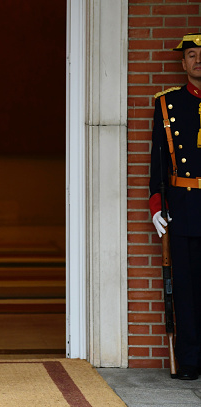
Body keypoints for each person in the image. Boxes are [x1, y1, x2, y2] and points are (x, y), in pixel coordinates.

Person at [149, 33, 201, 380]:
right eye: (192, 55)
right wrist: (156, 206)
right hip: (184, 207)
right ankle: (191, 361)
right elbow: (157, 162)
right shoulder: (167, 104)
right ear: (182, 63)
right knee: (185, 288)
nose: (198, 60)